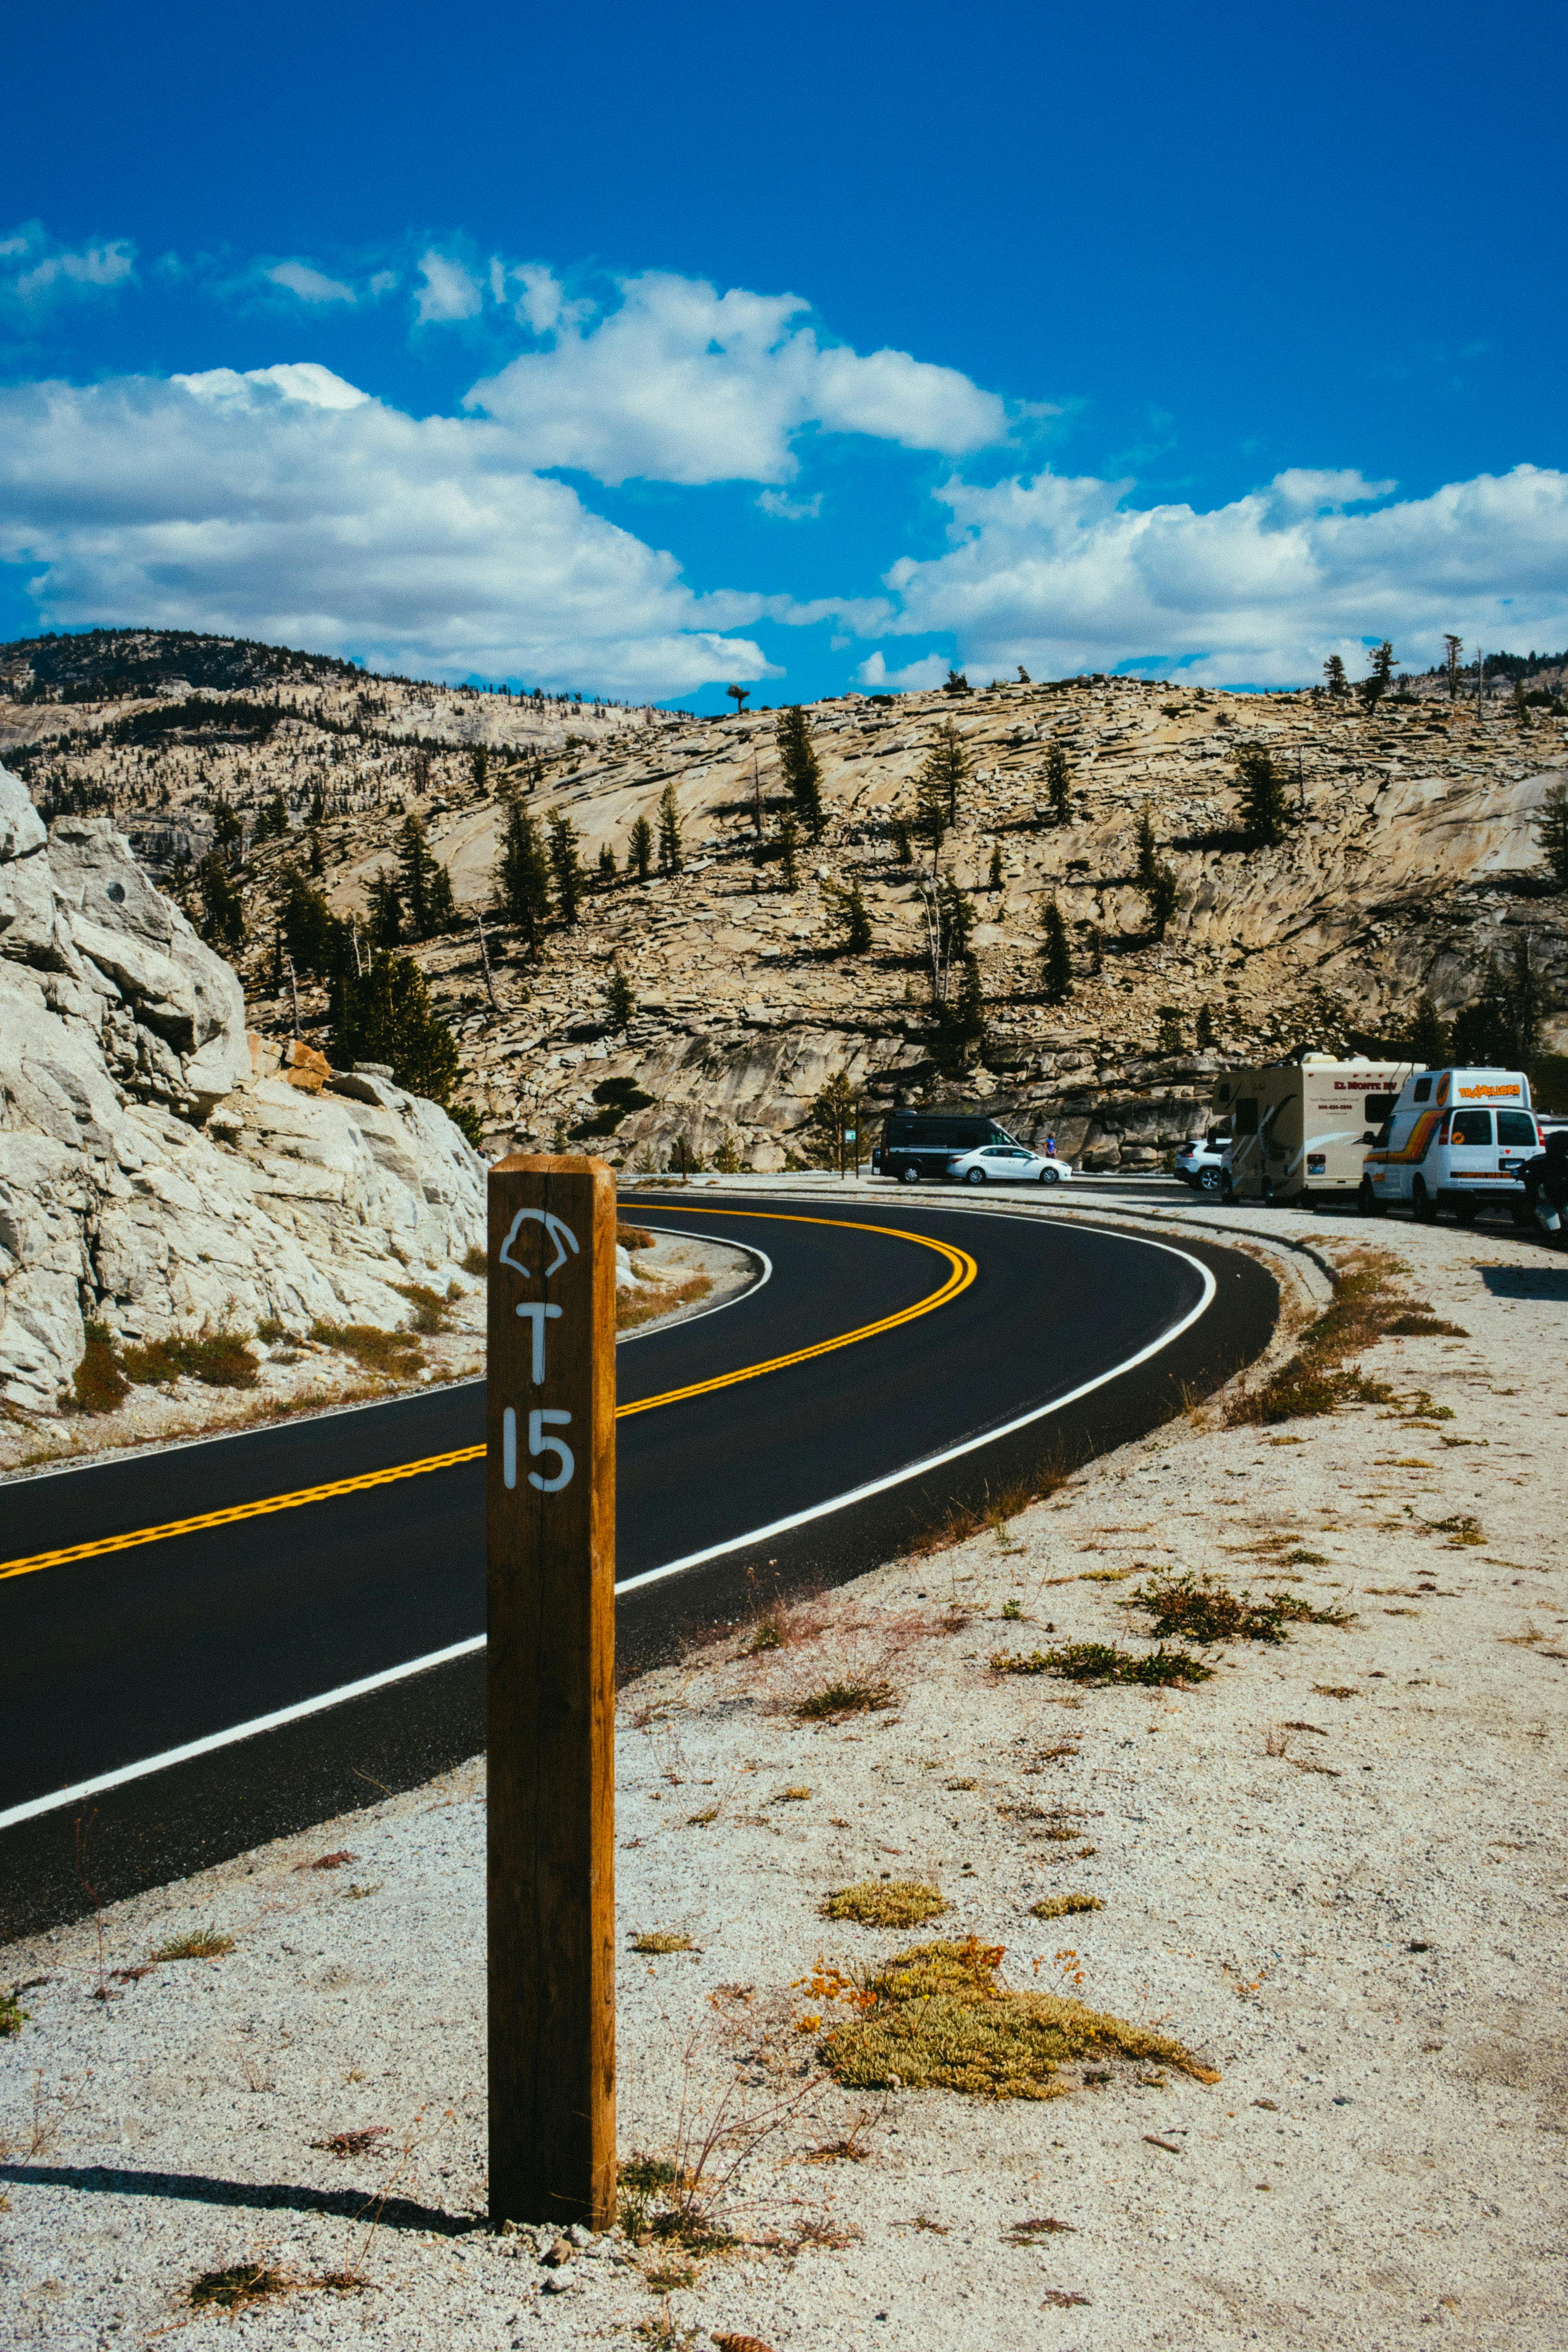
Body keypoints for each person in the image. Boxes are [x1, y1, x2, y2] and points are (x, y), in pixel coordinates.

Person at [1531, 1127, 1568, 1239]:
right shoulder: (1541, 1159)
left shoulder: (1542, 1159)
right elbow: (1525, 1168)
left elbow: (1524, 1168)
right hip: (1552, 1191)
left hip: (1558, 1192)